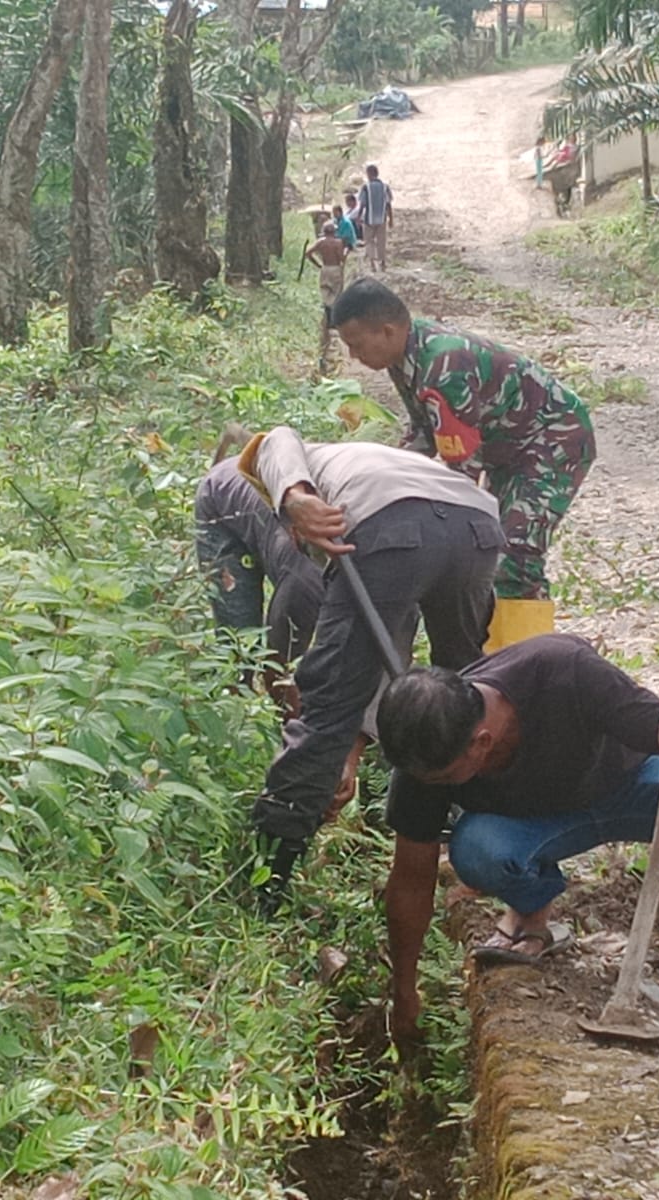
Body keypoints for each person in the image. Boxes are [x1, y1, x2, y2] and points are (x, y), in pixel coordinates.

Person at [374, 634, 659, 1047]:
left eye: (444, 779)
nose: (433, 787)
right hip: (535, 822)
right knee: (478, 851)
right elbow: (411, 878)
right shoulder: (423, 757)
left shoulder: (563, 668)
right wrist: (404, 989)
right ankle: (532, 914)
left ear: (481, 744)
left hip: (631, 783)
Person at [239, 426, 504, 902]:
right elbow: (388, 644)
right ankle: (483, 838)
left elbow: (275, 437)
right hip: (478, 527)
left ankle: (268, 880)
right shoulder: (371, 461)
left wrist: (294, 496)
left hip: (392, 525)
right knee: (467, 694)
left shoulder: (294, 465)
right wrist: (354, 751)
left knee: (326, 710)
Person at [329, 278, 594, 619]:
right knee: (490, 546)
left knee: (512, 557)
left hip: (553, 439)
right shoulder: (404, 357)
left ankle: (524, 658)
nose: (354, 356)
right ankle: (493, 651)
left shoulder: (443, 364)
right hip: (507, 448)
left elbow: (461, 472)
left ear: (388, 331)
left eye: (357, 344)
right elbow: (425, 433)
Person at [194, 455, 324, 699]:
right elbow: (277, 666)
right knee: (241, 640)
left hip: (283, 487)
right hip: (223, 500)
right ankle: (234, 710)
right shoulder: (307, 582)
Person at [304, 221, 350, 330]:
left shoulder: (321, 242)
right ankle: (333, 319)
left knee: (326, 292)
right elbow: (341, 259)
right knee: (336, 292)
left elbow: (308, 253)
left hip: (325, 268)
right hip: (335, 268)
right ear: (334, 231)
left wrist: (318, 264)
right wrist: (346, 251)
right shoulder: (338, 243)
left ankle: (328, 317)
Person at [358, 165, 394, 272]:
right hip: (382, 219)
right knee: (381, 241)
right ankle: (382, 263)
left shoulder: (366, 187)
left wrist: (359, 216)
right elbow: (388, 205)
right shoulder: (385, 187)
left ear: (369, 174)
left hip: (369, 219)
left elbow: (362, 204)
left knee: (369, 241)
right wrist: (391, 219)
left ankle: (372, 263)